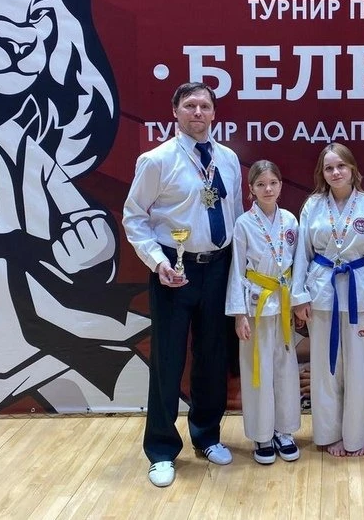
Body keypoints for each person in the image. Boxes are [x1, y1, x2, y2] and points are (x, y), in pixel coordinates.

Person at [123, 82, 243, 487]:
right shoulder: (157, 160)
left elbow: (236, 215)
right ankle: (161, 450)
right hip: (174, 271)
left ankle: (207, 436)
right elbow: (134, 217)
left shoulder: (228, 159)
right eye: (189, 105)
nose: (198, 112)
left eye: (204, 106)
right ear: (175, 111)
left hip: (218, 269)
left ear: (214, 113)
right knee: (168, 360)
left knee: (212, 358)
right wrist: (158, 263)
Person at [291, 142, 364, 457]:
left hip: (361, 293)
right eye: (329, 168)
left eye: (341, 166)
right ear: (322, 173)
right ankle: (328, 434)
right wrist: (299, 296)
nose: (336, 172)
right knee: (324, 368)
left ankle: (356, 436)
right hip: (321, 293)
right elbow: (302, 254)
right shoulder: (313, 206)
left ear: (352, 169)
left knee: (360, 369)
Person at [225, 161, 301, 465]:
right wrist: (239, 314)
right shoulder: (244, 224)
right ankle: (262, 434)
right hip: (255, 305)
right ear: (251, 190)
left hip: (283, 304)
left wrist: (298, 301)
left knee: (285, 370)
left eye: (273, 183)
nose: (268, 189)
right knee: (257, 371)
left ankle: (285, 430)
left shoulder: (290, 220)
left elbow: (299, 265)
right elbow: (236, 270)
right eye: (260, 184)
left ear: (280, 185)